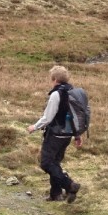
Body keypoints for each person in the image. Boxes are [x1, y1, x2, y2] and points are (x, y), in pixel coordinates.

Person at [27, 65, 83, 202]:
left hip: (55, 134)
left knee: (46, 163)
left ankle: (69, 185)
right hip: (67, 135)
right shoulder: (73, 92)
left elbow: (48, 117)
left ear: (54, 79)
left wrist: (34, 127)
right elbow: (76, 116)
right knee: (55, 163)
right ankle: (55, 194)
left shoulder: (56, 94)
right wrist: (77, 134)